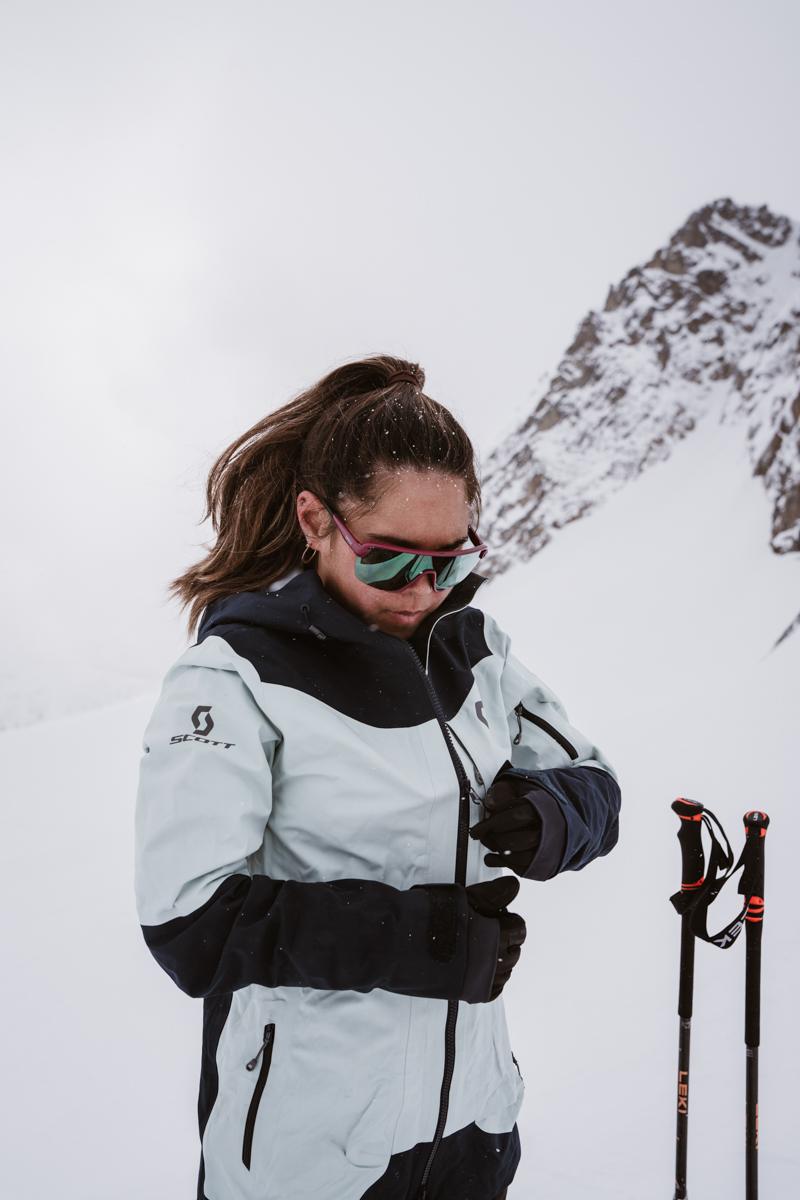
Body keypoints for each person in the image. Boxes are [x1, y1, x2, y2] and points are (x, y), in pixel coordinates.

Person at [133, 354, 622, 1200]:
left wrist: (551, 816)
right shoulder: (235, 677)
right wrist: (428, 942)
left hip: (470, 1125)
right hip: (307, 1155)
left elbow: (595, 785)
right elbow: (191, 923)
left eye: (453, 558)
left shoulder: (474, 651)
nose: (425, 589)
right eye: (392, 559)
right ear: (315, 518)